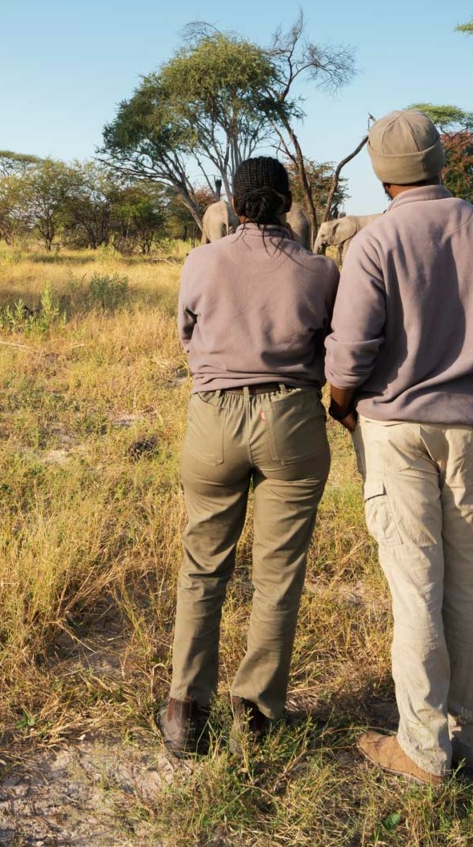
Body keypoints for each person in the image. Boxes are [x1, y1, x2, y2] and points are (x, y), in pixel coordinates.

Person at [324, 110, 473, 784]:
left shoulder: (374, 241)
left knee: (414, 586)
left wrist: (343, 411)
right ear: (439, 161)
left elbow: (350, 355)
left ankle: (423, 749)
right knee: (468, 584)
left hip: (395, 428)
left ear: (379, 170)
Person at [160, 156, 341, 757]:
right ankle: (256, 715)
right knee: (278, 574)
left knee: (203, 565)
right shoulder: (320, 270)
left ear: (234, 205)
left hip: (213, 418)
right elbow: (334, 346)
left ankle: (186, 711)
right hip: (291, 418)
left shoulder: (201, 260)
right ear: (287, 205)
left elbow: (187, 334)